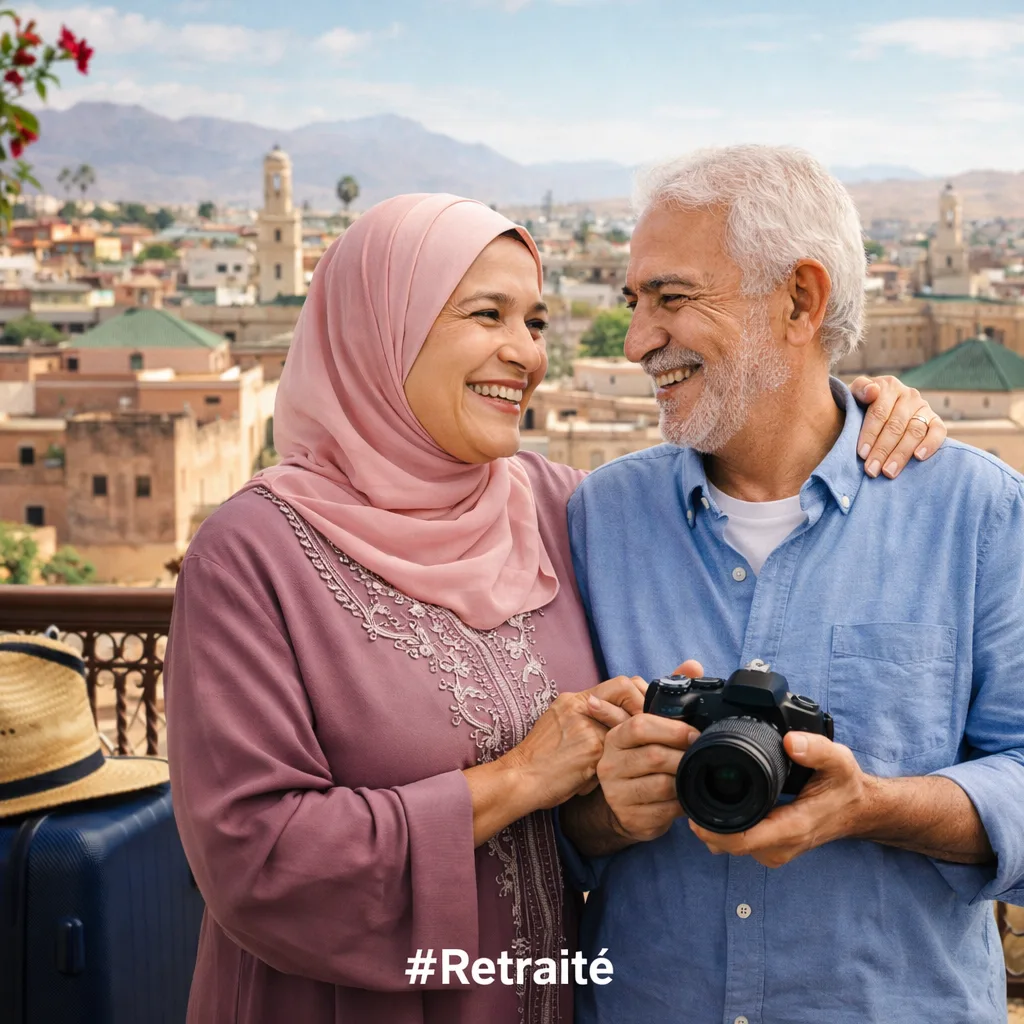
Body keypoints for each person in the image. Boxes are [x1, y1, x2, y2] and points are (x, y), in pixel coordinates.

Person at [164, 192, 944, 1024]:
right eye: (487, 314)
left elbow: (754, 460)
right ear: (378, 329)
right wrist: (519, 778)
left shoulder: (555, 508)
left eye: (534, 322)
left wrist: (857, 412)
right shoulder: (255, 554)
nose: (526, 353)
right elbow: (254, 860)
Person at [559, 146, 1024, 1024]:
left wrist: (871, 807)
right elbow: (550, 824)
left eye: (671, 298)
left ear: (801, 301)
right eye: (633, 301)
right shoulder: (596, 519)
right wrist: (609, 811)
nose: (635, 341)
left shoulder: (977, 514)